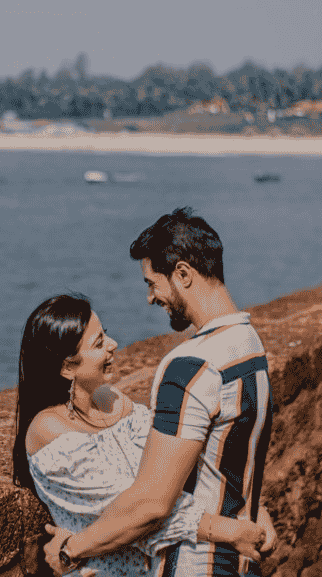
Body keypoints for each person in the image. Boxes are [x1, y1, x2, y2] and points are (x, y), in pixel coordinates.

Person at [42, 208, 276, 577]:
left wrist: (71, 549)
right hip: (241, 562)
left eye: (153, 283)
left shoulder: (190, 365)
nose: (151, 298)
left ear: (182, 274)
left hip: (196, 564)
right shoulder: (250, 346)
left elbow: (151, 503)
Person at [13, 294, 273, 577]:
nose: (112, 346)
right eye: (99, 344)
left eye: (106, 336)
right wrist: (225, 529)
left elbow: (174, 464)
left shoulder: (113, 400)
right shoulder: (48, 429)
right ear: (67, 367)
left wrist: (251, 505)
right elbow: (136, 510)